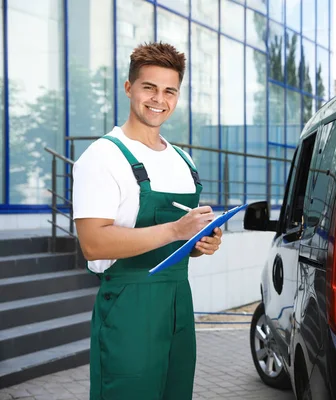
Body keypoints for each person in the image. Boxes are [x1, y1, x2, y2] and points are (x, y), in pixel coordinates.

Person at [72, 42, 222, 400]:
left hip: (178, 303)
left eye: (169, 91)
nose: (159, 99)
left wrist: (202, 244)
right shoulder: (103, 157)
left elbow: (182, 240)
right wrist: (175, 229)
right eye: (149, 88)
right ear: (129, 88)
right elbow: (93, 242)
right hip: (129, 308)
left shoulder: (184, 161)